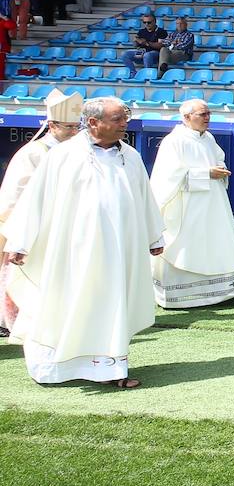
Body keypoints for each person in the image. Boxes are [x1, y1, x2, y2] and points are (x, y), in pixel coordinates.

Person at [1, 98, 164, 387]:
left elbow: (145, 198)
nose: (124, 124)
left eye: (124, 118)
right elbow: (35, 200)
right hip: (72, 251)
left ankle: (111, 370)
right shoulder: (62, 156)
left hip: (118, 251)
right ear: (93, 122)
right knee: (66, 304)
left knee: (111, 305)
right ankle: (55, 369)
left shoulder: (131, 156)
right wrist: (20, 242)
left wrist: (154, 236)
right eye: (117, 119)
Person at [148, 99, 234, 309]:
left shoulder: (208, 137)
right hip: (186, 205)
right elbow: (168, 176)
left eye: (208, 113)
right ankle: (181, 297)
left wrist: (219, 169)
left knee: (213, 241)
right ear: (186, 117)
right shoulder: (174, 141)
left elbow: (218, 158)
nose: (207, 118)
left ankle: (222, 293)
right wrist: (206, 173)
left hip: (212, 203)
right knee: (186, 245)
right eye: (202, 114)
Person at [0, 89, 82, 335]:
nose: (74, 132)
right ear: (53, 125)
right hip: (37, 228)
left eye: (76, 126)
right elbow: (15, 196)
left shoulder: (78, 152)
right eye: (68, 127)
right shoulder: (34, 153)